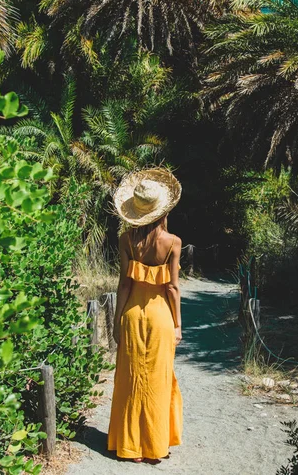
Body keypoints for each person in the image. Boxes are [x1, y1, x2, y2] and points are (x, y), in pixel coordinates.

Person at [107, 167, 183, 463]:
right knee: (157, 380)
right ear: (163, 210)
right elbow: (173, 288)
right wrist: (178, 324)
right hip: (160, 317)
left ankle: (130, 447)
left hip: (132, 316)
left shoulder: (127, 240)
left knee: (129, 379)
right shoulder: (173, 242)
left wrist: (116, 320)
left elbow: (124, 283)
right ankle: (154, 446)